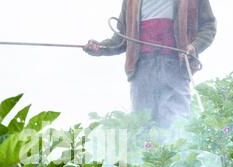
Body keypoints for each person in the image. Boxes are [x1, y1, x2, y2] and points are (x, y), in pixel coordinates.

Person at [84, 0, 217, 128]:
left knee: (178, 123)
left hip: (176, 67)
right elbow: (122, 39)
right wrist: (100, 48)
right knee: (142, 124)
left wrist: (195, 46)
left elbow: (209, 26)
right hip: (142, 68)